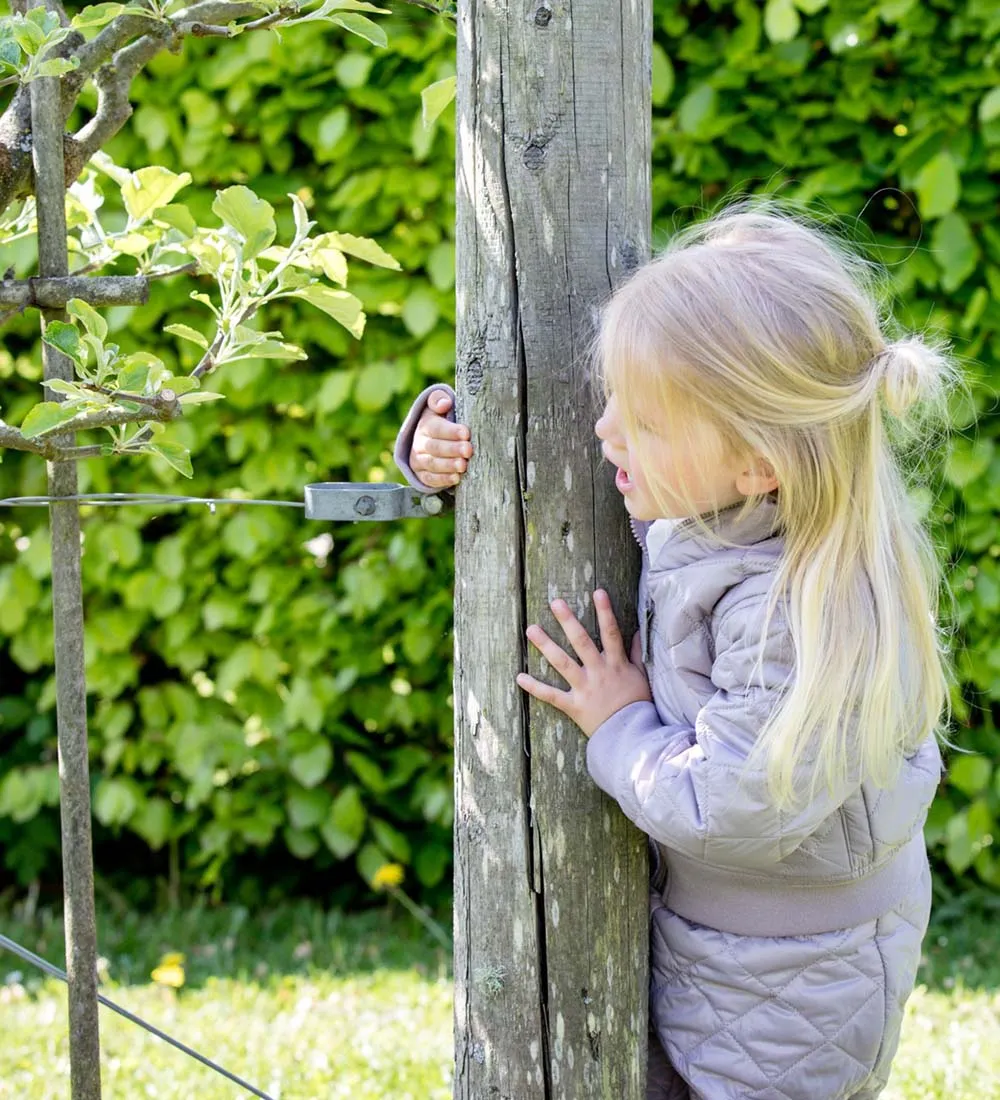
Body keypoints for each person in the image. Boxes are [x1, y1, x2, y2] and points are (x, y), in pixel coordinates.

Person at [394, 205, 953, 1100]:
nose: (607, 430)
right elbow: (563, 463)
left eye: (645, 422)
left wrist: (620, 725)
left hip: (790, 999)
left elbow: (731, 800)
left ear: (758, 462)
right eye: (614, 396)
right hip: (732, 949)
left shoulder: (796, 610)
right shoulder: (723, 508)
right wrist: (446, 448)